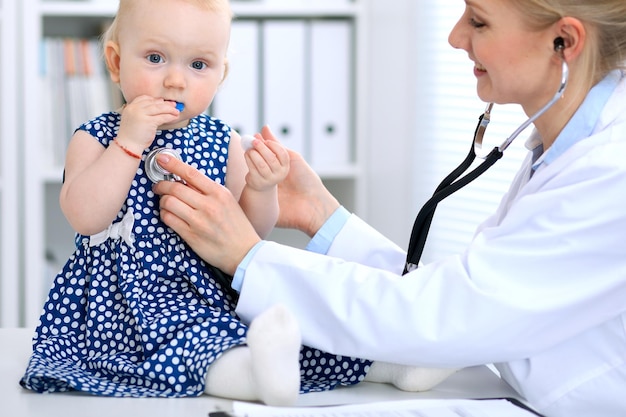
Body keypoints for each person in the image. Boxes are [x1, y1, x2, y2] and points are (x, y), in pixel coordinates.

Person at [152, 1, 626, 416]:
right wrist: (322, 216)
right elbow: (467, 294)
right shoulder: (565, 146)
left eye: (478, 22)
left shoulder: (611, 170)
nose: (455, 36)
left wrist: (247, 256)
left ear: (564, 40)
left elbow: (449, 315)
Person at [20, 0, 455, 406]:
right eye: (155, 58)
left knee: (301, 328)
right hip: (125, 306)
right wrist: (129, 143)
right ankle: (256, 377)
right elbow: (84, 216)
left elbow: (251, 232)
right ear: (116, 62)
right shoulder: (96, 136)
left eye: (198, 64)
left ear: (220, 75)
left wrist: (262, 189)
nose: (175, 79)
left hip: (210, 292)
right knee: (197, 343)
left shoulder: (221, 139)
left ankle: (393, 362)